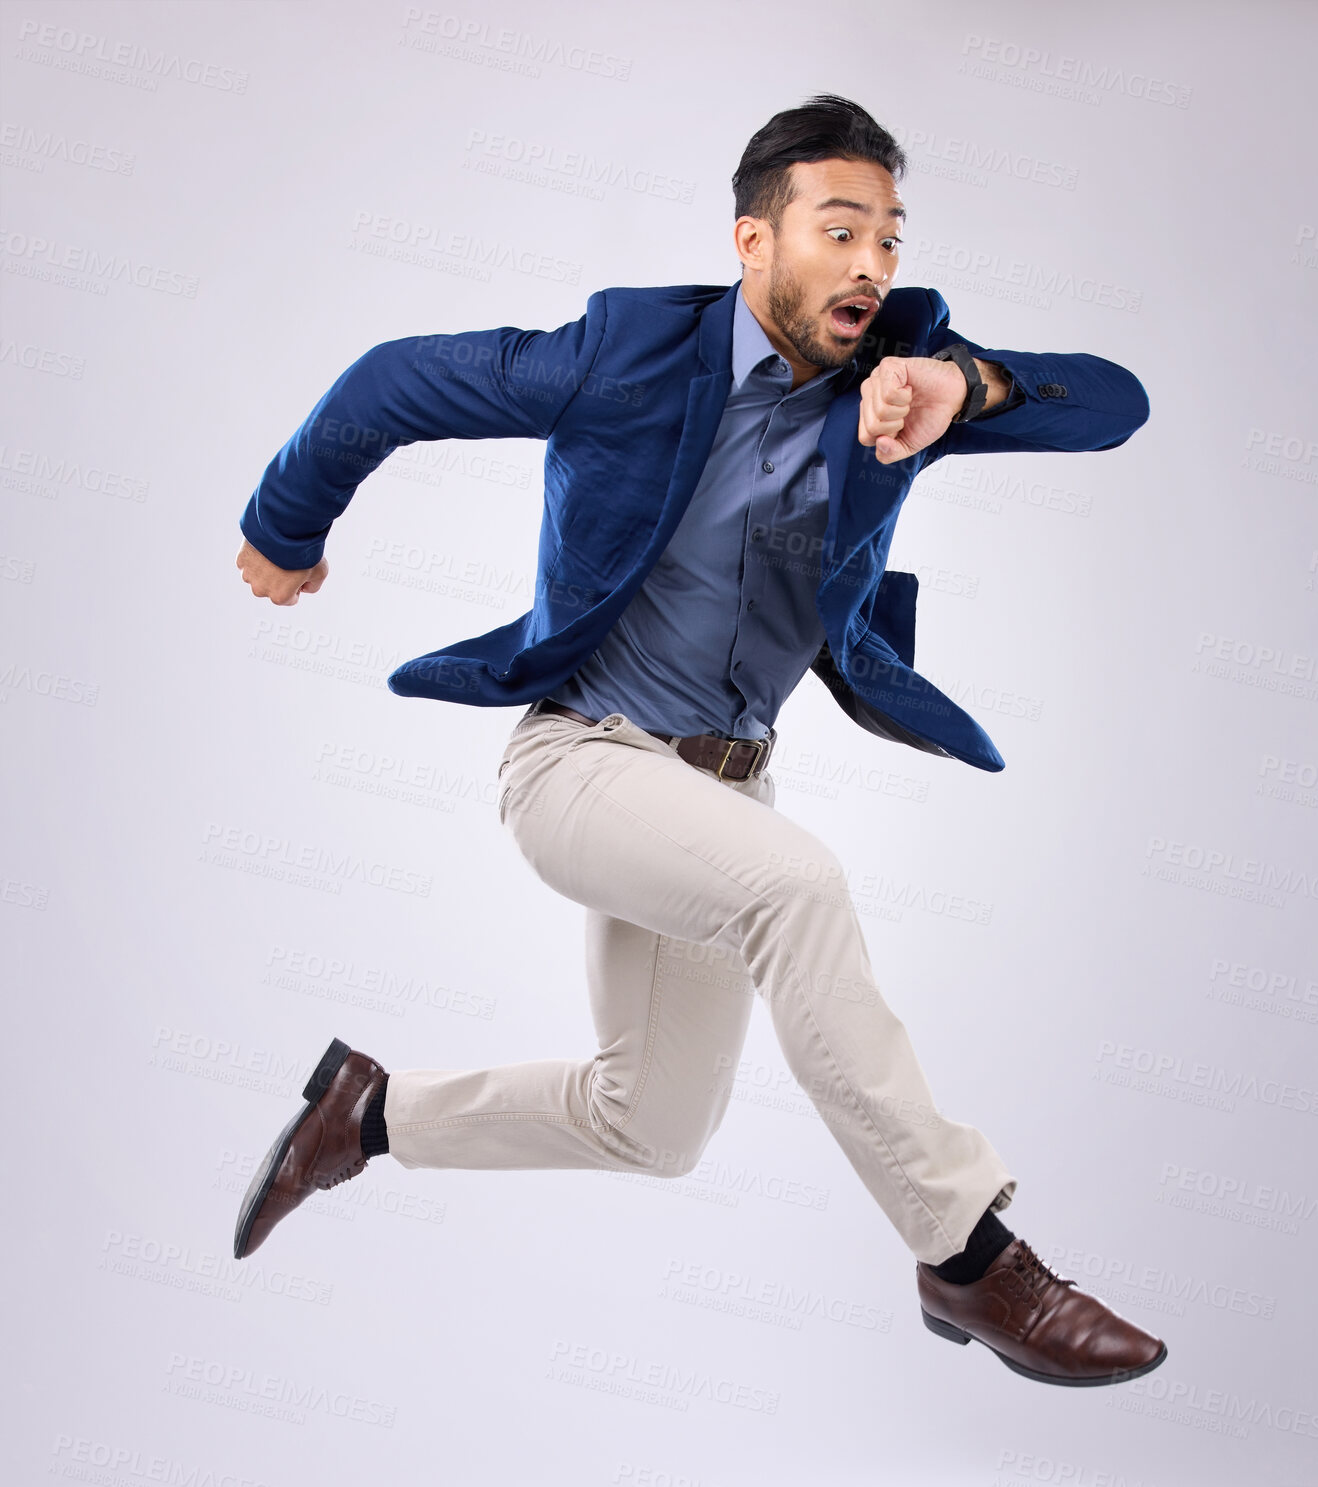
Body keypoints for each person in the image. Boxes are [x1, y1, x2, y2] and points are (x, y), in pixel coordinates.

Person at [231, 95, 1166, 1387]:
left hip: (721, 792)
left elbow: (1115, 404)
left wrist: (966, 382)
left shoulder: (897, 382)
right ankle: (966, 1256)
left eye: (888, 239)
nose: (868, 266)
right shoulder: (620, 360)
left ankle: (367, 1113)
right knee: (799, 887)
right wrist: (287, 530)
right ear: (751, 241)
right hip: (582, 765)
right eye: (837, 231)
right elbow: (389, 384)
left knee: (649, 1124)